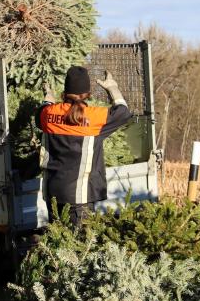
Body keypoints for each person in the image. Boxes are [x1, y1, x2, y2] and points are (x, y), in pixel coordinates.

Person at [36, 66, 132, 227]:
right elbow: (123, 112)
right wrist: (112, 88)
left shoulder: (48, 114)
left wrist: (48, 97)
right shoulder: (95, 117)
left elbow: (42, 111)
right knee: (80, 245)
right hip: (80, 198)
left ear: (65, 92)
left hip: (53, 192)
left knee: (57, 241)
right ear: (88, 93)